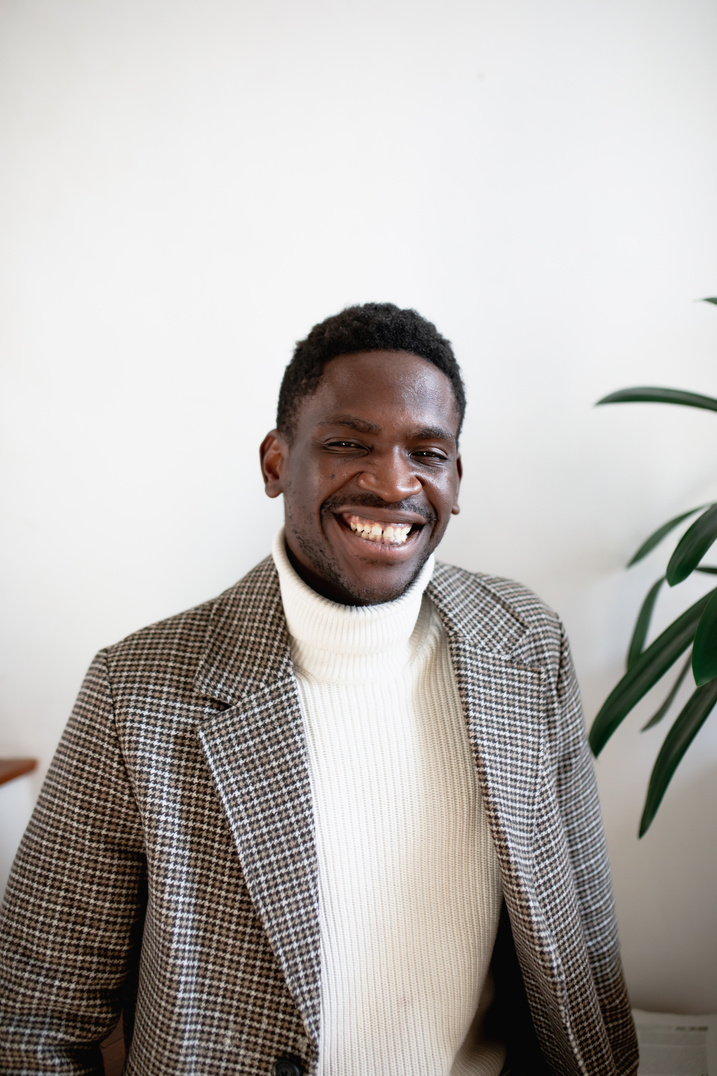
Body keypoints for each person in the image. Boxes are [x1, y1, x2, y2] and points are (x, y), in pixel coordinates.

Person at [0, 303, 638, 1075]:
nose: (392, 482)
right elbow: (33, 1016)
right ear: (275, 462)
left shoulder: (526, 645)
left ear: (455, 480)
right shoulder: (137, 692)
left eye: (426, 452)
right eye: (347, 445)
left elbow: (584, 943)